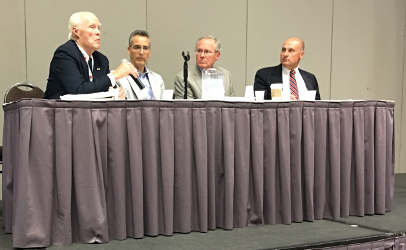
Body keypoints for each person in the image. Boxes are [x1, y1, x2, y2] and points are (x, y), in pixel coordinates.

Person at [44, 11, 137, 99]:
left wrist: (117, 92)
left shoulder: (101, 59)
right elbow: (79, 90)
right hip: (60, 112)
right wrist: (114, 75)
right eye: (92, 27)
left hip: (91, 113)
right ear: (76, 32)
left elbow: (101, 87)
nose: (98, 32)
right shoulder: (64, 55)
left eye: (98, 28)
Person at [253, 37, 320, 100]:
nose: (285, 54)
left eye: (291, 50)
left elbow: (318, 108)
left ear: (301, 54)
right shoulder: (264, 75)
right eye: (283, 50)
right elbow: (259, 107)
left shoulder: (311, 78)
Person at [116, 30, 164, 100]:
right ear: (129, 50)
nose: (141, 52)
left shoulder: (158, 79)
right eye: (137, 47)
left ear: (149, 52)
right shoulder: (118, 78)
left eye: (145, 48)